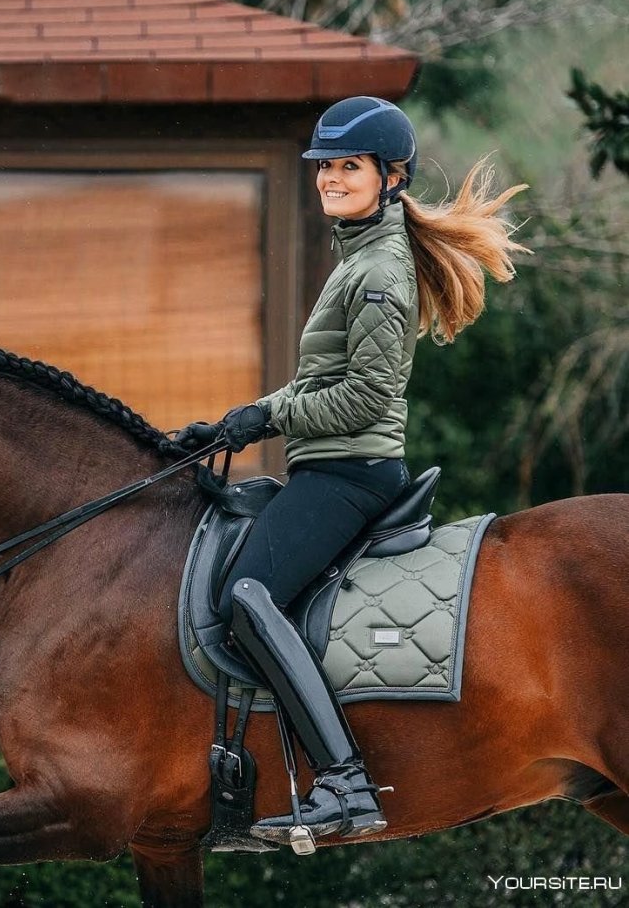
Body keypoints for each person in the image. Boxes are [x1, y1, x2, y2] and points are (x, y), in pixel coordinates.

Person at [176, 95, 528, 850]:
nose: (332, 179)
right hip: (330, 467)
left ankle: (344, 783)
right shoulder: (360, 252)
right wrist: (239, 419)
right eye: (325, 167)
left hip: (352, 472)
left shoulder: (377, 273)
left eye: (349, 167)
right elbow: (331, 384)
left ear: (390, 176)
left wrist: (266, 416)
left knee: (249, 593)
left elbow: (367, 395)